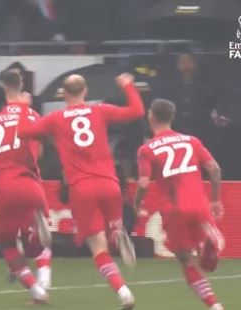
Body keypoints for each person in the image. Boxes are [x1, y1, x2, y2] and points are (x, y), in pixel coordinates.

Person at [17, 73, 144, 309]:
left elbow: (23, 132)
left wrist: (23, 107)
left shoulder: (55, 118)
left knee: (97, 248)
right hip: (110, 184)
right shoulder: (100, 111)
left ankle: (124, 292)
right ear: (85, 91)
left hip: (82, 189)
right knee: (108, 235)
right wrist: (128, 85)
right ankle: (117, 230)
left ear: (63, 94)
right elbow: (137, 111)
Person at [134, 99, 224, 310]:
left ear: (152, 117)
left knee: (186, 261)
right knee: (202, 258)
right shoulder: (191, 140)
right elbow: (214, 168)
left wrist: (137, 204)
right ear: (171, 117)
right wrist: (216, 199)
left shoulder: (146, 149)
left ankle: (214, 305)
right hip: (199, 204)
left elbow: (144, 182)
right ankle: (208, 240)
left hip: (174, 209)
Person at [0, 84, 50, 303]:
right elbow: (41, 145)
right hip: (32, 184)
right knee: (38, 242)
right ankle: (44, 275)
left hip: (3, 189)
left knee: (6, 243)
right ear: (6, 102)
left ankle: (36, 290)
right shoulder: (22, 120)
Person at [0, 70, 52, 289]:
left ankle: (19, 268)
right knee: (40, 233)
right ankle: (44, 278)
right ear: (21, 85)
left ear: (3, 86)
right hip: (31, 179)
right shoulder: (32, 115)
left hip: (4, 181)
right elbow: (39, 152)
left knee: (8, 237)